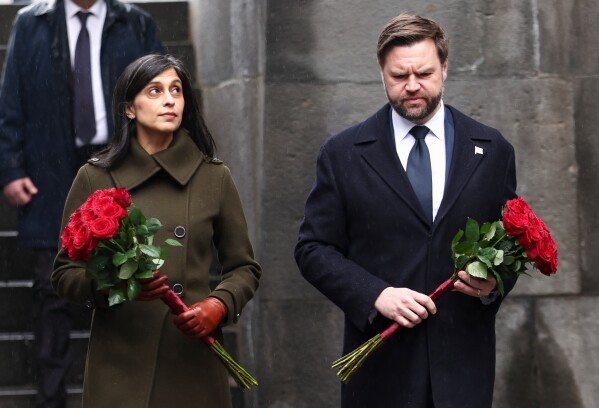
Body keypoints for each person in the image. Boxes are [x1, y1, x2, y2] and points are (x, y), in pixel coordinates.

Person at [295, 14, 518, 408]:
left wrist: (492, 286)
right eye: (399, 75)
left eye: (425, 73)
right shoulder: (342, 153)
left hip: (463, 370)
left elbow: (509, 247)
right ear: (381, 71)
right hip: (381, 370)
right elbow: (313, 249)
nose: (412, 86)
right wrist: (375, 294)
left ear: (445, 68)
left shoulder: (492, 149)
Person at [51, 54, 261, 408]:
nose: (169, 100)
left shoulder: (214, 176)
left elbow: (244, 268)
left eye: (176, 90)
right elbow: (63, 273)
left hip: (192, 358)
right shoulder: (95, 177)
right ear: (130, 108)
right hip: (120, 363)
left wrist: (218, 304)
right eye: (155, 90)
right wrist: (118, 283)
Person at [0, 0, 163, 406]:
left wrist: (157, 167)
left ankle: (129, 396)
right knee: (49, 286)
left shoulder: (136, 23)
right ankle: (50, 397)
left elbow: (164, 98)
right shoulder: (30, 23)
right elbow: (11, 102)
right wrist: (11, 168)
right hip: (50, 169)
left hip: (122, 165)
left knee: (130, 280)